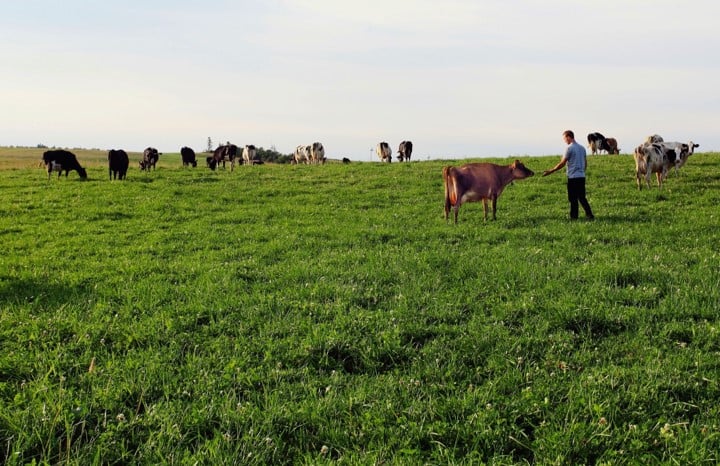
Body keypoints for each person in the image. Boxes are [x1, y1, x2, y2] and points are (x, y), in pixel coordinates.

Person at [543, 130, 595, 220]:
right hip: (581, 176)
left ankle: (574, 217)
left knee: (573, 198)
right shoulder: (582, 148)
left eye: (564, 138)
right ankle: (589, 215)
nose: (564, 141)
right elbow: (585, 162)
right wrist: (582, 171)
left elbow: (562, 163)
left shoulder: (569, 148)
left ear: (568, 137)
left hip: (573, 177)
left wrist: (551, 171)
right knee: (582, 197)